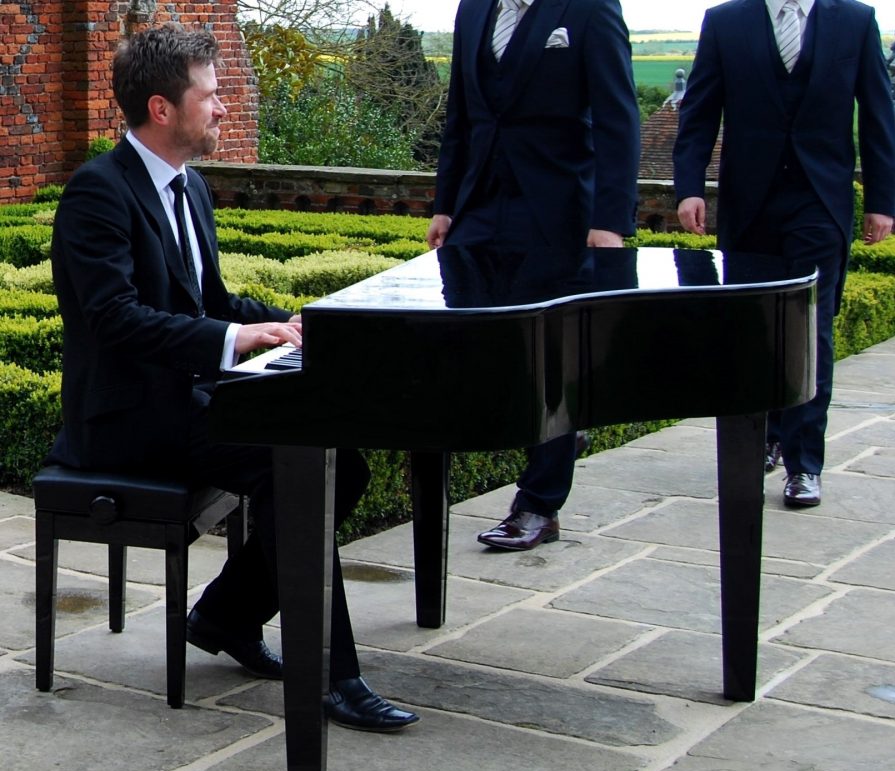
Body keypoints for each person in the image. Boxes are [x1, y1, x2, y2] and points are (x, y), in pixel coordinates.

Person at [47, 24, 418, 732]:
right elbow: (114, 322)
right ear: (163, 109)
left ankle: (223, 617)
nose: (224, 110)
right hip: (125, 419)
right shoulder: (97, 194)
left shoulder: (188, 188)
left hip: (184, 401)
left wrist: (288, 322)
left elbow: (209, 302)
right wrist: (233, 339)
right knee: (297, 463)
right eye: (212, 96)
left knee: (343, 466)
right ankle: (332, 676)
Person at [426, 0, 640, 551]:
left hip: (558, 213)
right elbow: (462, 114)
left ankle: (539, 505)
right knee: (468, 350)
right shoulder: (473, 10)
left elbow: (618, 118)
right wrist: (445, 205)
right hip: (478, 209)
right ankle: (562, 432)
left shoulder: (590, 10)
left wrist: (609, 223)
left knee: (552, 364)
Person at [674, 0, 895, 508]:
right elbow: (701, 109)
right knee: (753, 329)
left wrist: (884, 201)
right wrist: (688, 186)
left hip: (821, 201)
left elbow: (879, 112)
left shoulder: (856, 20)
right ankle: (763, 438)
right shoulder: (725, 21)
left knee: (810, 329)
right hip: (748, 204)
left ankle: (804, 463)